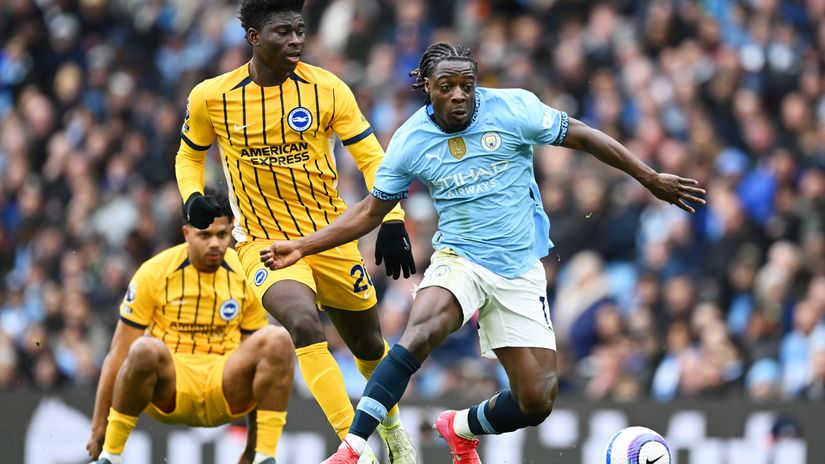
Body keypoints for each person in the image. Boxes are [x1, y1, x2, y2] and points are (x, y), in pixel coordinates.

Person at [260, 43, 707, 464]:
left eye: (467, 86)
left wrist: (650, 178)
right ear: (427, 87)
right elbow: (369, 212)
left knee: (537, 400)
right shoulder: (410, 141)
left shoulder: (514, 108)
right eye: (447, 87)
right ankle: (353, 448)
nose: (459, 96)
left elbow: (585, 136)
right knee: (421, 331)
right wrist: (301, 247)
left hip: (519, 269)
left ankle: (460, 427)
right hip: (460, 260)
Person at [174, 0, 416, 462]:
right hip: (262, 243)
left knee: (368, 345)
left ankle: (393, 428)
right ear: (254, 38)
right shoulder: (212, 96)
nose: (296, 41)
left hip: (330, 236)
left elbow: (372, 159)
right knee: (303, 322)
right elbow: (189, 154)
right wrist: (191, 197)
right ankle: (356, 445)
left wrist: (391, 219)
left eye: (300, 31)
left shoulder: (327, 89)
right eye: (283, 32)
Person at [86, 188, 294, 464]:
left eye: (222, 235)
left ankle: (264, 457)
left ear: (232, 230)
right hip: (169, 391)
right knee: (143, 348)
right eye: (204, 235)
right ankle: (111, 457)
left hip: (224, 388)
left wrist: (251, 446)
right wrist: (98, 427)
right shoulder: (153, 272)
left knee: (277, 339)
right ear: (186, 233)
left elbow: (259, 367)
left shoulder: (246, 272)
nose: (215, 245)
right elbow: (118, 355)